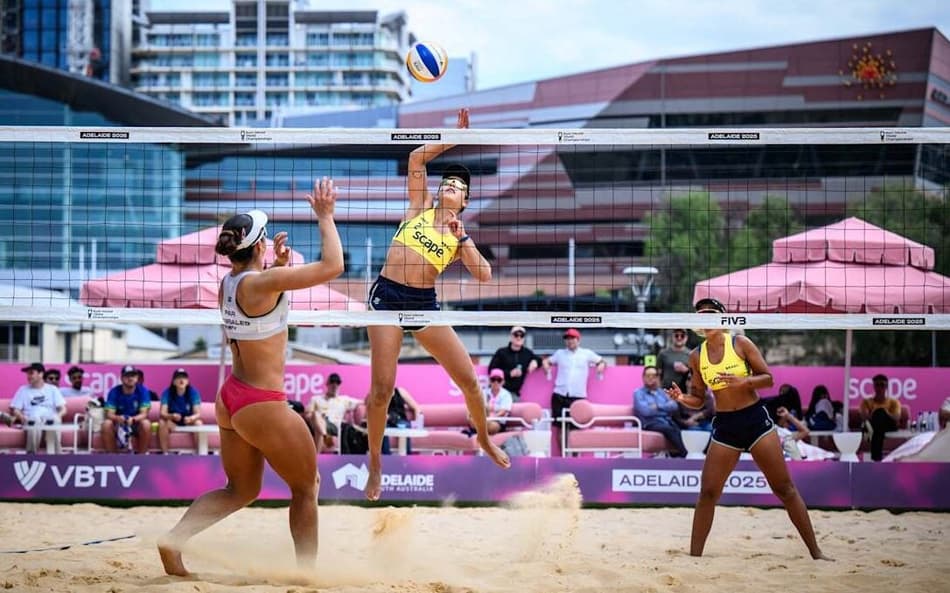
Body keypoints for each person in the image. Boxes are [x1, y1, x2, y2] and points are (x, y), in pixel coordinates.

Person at [158, 177, 343, 576]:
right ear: (259, 246)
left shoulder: (229, 283)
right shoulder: (263, 282)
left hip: (232, 397)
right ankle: (306, 574)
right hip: (261, 401)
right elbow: (333, 266)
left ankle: (174, 539)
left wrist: (277, 266)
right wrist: (325, 216)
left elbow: (258, 303)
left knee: (241, 490)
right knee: (306, 487)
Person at [363, 108, 509, 501]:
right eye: (448, 181)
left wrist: (463, 239)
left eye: (458, 186)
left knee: (470, 382)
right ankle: (375, 461)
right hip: (387, 297)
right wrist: (454, 137)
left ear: (465, 201)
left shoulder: (460, 235)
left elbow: (485, 275)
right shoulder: (419, 205)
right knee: (382, 390)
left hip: (423, 303)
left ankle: (484, 439)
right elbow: (416, 158)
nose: (450, 185)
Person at [666, 298, 830, 560]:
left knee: (784, 488)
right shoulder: (696, 356)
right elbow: (698, 398)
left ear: (723, 317)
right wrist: (682, 398)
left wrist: (743, 382)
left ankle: (816, 552)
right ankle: (694, 559)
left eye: (711, 313)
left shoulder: (740, 343)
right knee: (708, 493)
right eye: (701, 315)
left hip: (754, 421)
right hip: (726, 425)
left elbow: (768, 379)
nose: (706, 318)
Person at [542, 328, 606, 428]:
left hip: (578, 395)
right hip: (559, 394)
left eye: (572, 338)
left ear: (578, 340)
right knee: (560, 427)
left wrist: (601, 365)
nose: (569, 341)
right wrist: (545, 365)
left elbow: (601, 361)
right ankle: (562, 439)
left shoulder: (586, 353)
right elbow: (547, 361)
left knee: (575, 427)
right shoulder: (560, 353)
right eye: (567, 338)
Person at [10, 362, 66, 453]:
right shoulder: (23, 390)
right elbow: (15, 409)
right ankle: (31, 456)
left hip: (49, 418)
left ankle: (56, 456)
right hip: (32, 418)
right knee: (34, 419)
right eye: (27, 374)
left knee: (54, 420)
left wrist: (58, 416)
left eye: (31, 373)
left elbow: (63, 409)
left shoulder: (52, 389)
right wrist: (22, 417)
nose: (28, 376)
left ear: (41, 374)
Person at [633, 365, 686, 457]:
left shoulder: (662, 392)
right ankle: (686, 454)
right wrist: (665, 409)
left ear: (657, 377)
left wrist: (658, 406)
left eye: (653, 375)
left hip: (667, 421)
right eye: (648, 375)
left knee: (686, 428)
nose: (650, 378)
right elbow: (646, 411)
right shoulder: (638, 393)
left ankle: (680, 455)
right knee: (668, 429)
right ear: (643, 377)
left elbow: (674, 406)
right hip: (649, 423)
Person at [101, 365, 152, 454]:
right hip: (119, 423)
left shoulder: (143, 391)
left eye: (133, 375)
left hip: (136, 423)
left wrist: (133, 419)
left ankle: (142, 457)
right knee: (106, 424)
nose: (130, 378)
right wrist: (118, 418)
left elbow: (144, 414)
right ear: (121, 378)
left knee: (146, 424)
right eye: (127, 376)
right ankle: (112, 457)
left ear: (137, 378)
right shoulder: (114, 392)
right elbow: (109, 414)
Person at [307, 373, 361, 453]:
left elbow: (364, 402)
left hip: (332, 426)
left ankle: (316, 456)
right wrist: (319, 419)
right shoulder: (316, 399)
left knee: (318, 427)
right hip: (316, 423)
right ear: (327, 384)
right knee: (316, 416)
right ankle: (325, 437)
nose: (335, 385)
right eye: (332, 382)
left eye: (337, 382)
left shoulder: (344, 400)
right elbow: (308, 414)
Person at [488, 325, 542, 400]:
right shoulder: (501, 352)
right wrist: (509, 373)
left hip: (514, 394)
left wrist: (535, 362)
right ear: (511, 337)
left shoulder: (527, 353)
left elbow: (540, 360)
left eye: (521, 335)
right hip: (499, 392)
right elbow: (491, 370)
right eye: (516, 335)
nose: (519, 338)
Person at [157, 368, 203, 454]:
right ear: (174, 382)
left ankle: (199, 453)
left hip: (188, 422)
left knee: (198, 423)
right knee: (162, 422)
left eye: (184, 378)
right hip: (173, 422)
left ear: (188, 381)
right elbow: (162, 413)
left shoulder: (193, 392)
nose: (181, 380)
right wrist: (171, 416)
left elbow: (198, 413)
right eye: (178, 378)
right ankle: (165, 453)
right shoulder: (167, 392)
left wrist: (191, 418)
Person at [859, 374, 901, 462]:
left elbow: (896, 418)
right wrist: (877, 413)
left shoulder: (893, 402)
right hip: (873, 425)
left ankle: (875, 458)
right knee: (878, 424)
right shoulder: (866, 402)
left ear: (886, 387)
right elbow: (864, 417)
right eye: (877, 385)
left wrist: (884, 412)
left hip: (889, 425)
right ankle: (877, 459)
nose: (879, 388)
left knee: (881, 413)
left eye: (882, 385)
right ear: (874, 386)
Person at [475, 368, 514, 435]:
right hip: (484, 419)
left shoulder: (506, 394)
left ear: (503, 382)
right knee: (471, 417)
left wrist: (492, 417)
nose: (496, 382)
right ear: (490, 381)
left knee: (490, 426)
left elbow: (504, 411)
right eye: (493, 379)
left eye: (499, 380)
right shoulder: (484, 392)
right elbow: (479, 407)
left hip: (498, 421)